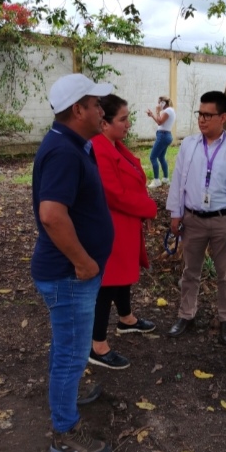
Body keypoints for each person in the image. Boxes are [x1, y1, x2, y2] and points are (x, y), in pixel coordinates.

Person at [31, 73, 114, 452]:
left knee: (68, 346)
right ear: (78, 109)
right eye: (96, 104)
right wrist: (82, 261)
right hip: (69, 275)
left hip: (70, 274)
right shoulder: (64, 151)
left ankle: (65, 395)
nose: (102, 111)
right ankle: (64, 432)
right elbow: (51, 214)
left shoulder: (73, 144)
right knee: (70, 353)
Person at [165, 91, 226, 345]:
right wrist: (176, 213)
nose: (202, 120)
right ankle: (186, 314)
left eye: (208, 115)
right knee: (190, 270)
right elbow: (178, 180)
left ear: (223, 117)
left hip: (223, 219)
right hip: (193, 219)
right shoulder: (189, 145)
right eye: (200, 114)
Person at [89, 94, 158, 369]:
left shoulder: (114, 145)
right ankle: (97, 345)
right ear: (104, 123)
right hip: (111, 225)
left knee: (122, 274)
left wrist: (142, 210)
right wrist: (148, 208)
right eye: (123, 119)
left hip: (124, 224)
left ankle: (126, 318)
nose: (128, 124)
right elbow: (113, 194)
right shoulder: (99, 148)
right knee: (108, 282)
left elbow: (133, 180)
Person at [146, 96, 176, 188]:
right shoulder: (170, 110)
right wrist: (152, 115)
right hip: (165, 135)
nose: (158, 104)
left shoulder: (168, 111)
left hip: (163, 136)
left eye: (160, 102)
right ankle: (165, 178)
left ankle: (156, 180)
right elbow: (160, 122)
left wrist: (157, 111)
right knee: (161, 157)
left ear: (163, 103)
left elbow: (159, 122)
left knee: (153, 157)